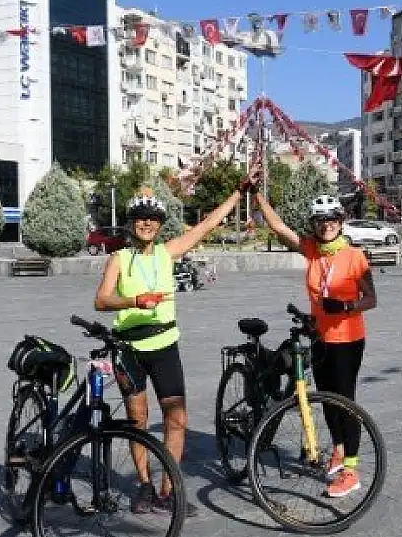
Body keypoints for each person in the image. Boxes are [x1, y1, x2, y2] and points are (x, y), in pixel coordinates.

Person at [94, 182, 243, 515]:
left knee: (176, 420)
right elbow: (101, 300)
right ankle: (145, 486)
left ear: (160, 224)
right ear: (131, 223)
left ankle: (168, 490)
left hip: (165, 346)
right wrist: (134, 300)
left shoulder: (167, 253)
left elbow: (207, 225)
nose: (146, 223)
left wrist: (237, 192)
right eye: (140, 218)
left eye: (152, 218)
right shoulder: (118, 259)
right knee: (138, 421)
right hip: (129, 349)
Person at [249, 169, 377, 498]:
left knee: (344, 402)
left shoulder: (354, 257)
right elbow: (278, 228)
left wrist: (346, 308)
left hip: (347, 339)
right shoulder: (312, 251)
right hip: (320, 338)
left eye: (331, 219)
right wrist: (256, 194)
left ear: (341, 220)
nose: (325, 225)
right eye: (320, 220)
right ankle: (337, 449)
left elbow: (371, 299)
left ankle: (351, 470)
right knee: (327, 402)